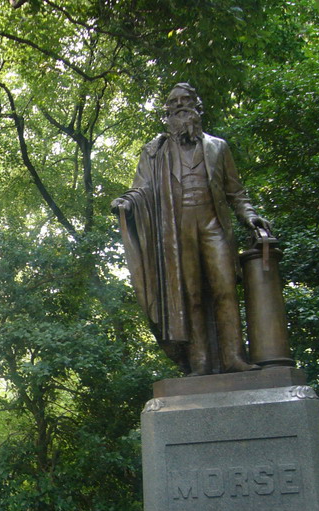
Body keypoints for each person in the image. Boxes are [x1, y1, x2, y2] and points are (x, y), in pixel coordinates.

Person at [113, 83, 271, 375]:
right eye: (175, 102)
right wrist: (127, 203)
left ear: (198, 107)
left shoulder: (218, 147)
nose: (181, 105)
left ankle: (234, 357)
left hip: (213, 226)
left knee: (225, 289)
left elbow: (236, 192)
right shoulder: (154, 152)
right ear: (168, 113)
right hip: (177, 231)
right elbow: (141, 188)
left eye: (187, 100)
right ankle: (199, 363)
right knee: (190, 295)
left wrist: (250, 217)